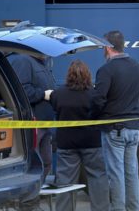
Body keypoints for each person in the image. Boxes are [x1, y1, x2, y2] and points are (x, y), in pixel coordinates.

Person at [90, 30, 139, 211]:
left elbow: (98, 98)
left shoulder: (106, 69)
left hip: (114, 129)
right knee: (131, 173)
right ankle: (133, 208)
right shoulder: (136, 66)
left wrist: (94, 116)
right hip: (134, 127)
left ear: (107, 47)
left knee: (116, 174)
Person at [49, 60, 109, 211]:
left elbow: (55, 108)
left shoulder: (58, 94)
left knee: (65, 181)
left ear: (69, 75)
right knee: (98, 178)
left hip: (66, 143)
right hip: (92, 142)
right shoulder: (94, 94)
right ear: (88, 75)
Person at [8, 54, 55, 182]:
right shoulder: (23, 61)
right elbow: (21, 91)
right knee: (34, 163)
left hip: (45, 123)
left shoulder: (42, 63)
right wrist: (43, 94)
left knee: (46, 162)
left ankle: (36, 192)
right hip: (33, 122)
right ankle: (29, 198)